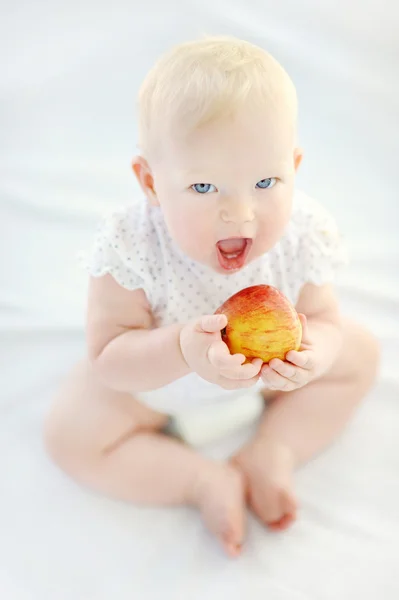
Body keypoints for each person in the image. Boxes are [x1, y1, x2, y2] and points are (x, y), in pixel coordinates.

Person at [44, 36, 379, 557]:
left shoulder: (304, 231)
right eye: (204, 189)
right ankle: (198, 481)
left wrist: (318, 353)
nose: (241, 213)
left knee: (360, 355)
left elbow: (323, 317)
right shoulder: (131, 247)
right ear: (151, 182)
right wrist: (181, 349)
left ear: (294, 164)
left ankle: (273, 450)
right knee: (70, 436)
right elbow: (109, 358)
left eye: (267, 181)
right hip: (150, 397)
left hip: (266, 384)